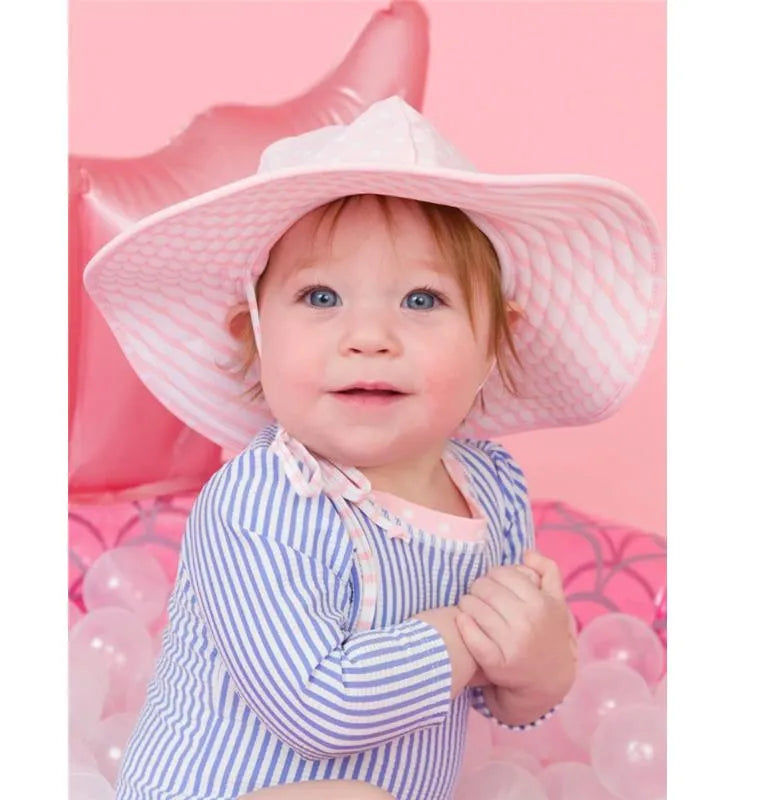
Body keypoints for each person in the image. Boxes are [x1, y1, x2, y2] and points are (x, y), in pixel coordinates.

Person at [83, 96, 664, 800]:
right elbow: (315, 707)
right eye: (321, 297)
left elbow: (498, 696)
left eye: (422, 301)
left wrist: (539, 663)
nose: (369, 336)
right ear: (254, 338)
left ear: (494, 344)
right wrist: (470, 633)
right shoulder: (260, 500)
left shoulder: (494, 488)